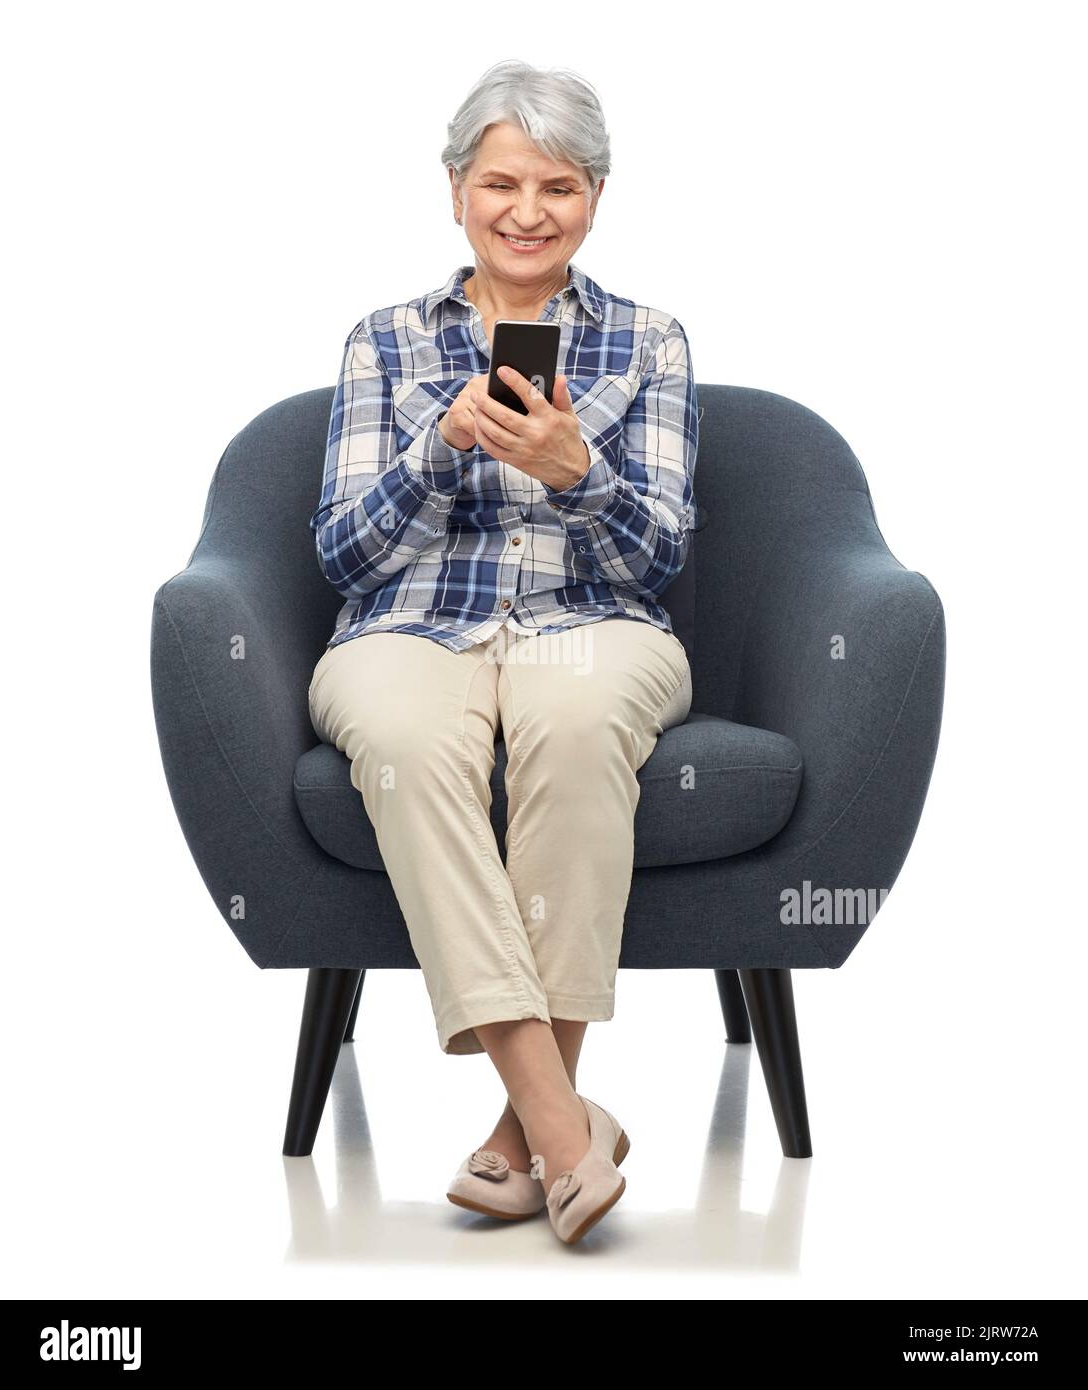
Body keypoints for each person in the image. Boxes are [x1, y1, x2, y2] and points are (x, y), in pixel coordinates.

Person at [307, 60, 699, 1245]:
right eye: (502, 183)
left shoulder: (652, 341)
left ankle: (516, 1134)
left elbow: (665, 556)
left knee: (576, 728)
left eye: (560, 187)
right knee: (411, 741)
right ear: (456, 190)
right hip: (407, 628)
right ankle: (566, 1127)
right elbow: (338, 556)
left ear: (595, 199)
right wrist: (436, 454)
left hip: (595, 625)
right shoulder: (384, 341)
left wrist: (584, 475)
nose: (529, 211)